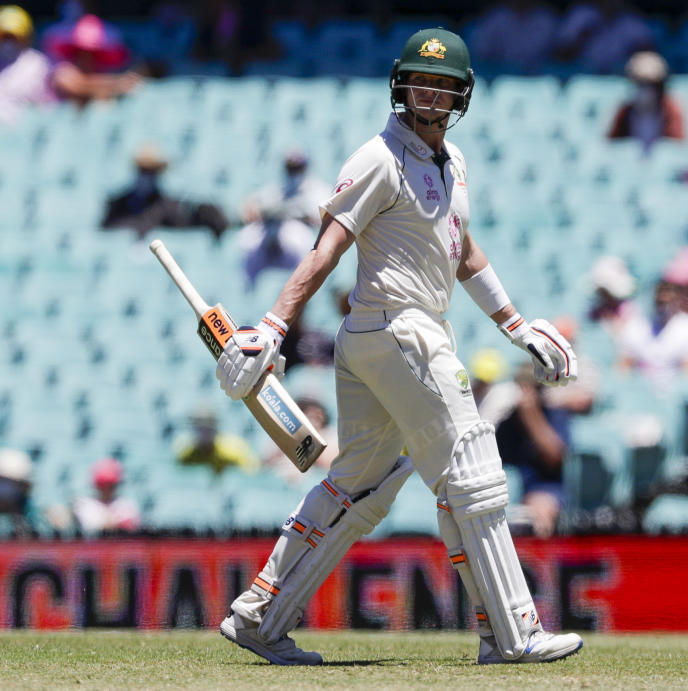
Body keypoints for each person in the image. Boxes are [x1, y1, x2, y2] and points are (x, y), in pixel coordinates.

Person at [213, 28, 582, 666]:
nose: (431, 93)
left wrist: (517, 325)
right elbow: (327, 246)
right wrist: (274, 326)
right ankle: (513, 633)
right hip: (397, 328)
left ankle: (260, 618)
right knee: (471, 468)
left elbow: (462, 251)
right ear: (401, 85)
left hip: (395, 334)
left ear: (462, 93)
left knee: (363, 481)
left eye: (443, 84)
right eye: (421, 81)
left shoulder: (454, 160)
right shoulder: (378, 157)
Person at [495, 367, 569, 539]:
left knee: (540, 508)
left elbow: (555, 458)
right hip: (507, 483)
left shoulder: (554, 414)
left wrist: (531, 415)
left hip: (543, 485)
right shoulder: (505, 418)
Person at [101, 144, 229, 239]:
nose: (146, 178)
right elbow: (107, 232)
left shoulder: (167, 207)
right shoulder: (117, 204)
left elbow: (184, 228)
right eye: (142, 171)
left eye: (151, 172)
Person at [43, 14, 142, 107]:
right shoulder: (64, 70)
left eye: (93, 53)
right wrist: (116, 84)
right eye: (81, 51)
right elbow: (76, 86)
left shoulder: (100, 73)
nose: (86, 57)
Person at [607, 51, 685, 150]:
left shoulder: (671, 110)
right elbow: (611, 146)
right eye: (639, 84)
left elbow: (678, 147)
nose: (644, 91)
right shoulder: (624, 111)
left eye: (650, 85)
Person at [552, 0, 654, 74]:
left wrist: (636, 52)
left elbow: (649, 56)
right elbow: (559, 56)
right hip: (583, 77)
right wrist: (583, 37)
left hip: (621, 76)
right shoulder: (581, 15)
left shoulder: (631, 21)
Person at [241, 149, 332, 229]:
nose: (295, 173)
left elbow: (321, 219)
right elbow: (251, 205)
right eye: (291, 168)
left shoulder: (320, 190)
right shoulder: (280, 189)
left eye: (298, 168)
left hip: (306, 236)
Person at [262, 397, 338, 485]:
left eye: (317, 418)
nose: (313, 422)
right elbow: (265, 464)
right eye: (308, 415)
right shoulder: (280, 438)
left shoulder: (328, 438)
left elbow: (329, 464)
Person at [0, 5, 55, 126]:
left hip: (28, 132)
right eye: (5, 36)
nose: (9, 42)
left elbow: (48, 104)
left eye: (14, 36)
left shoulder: (39, 64)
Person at [470, 0, 559, 75]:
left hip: (541, 79)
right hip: (502, 80)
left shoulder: (546, 19)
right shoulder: (495, 19)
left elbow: (560, 55)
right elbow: (480, 55)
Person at [174, 407, 259, 475]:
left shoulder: (233, 448)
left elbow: (252, 470)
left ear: (215, 427)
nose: (204, 433)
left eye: (208, 428)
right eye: (200, 428)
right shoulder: (185, 451)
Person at [72, 457, 141, 535]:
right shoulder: (85, 505)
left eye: (110, 485)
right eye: (103, 485)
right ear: (97, 486)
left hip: (120, 545)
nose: (107, 489)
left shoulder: (125, 505)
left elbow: (130, 527)